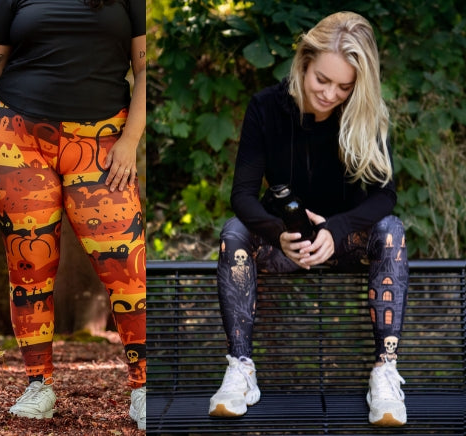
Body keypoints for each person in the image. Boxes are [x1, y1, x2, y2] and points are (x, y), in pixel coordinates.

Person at [206, 12, 406, 427]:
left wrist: (337, 228)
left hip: (346, 242)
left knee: (391, 230)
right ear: (303, 63)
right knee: (234, 231)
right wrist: (279, 233)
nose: (331, 94)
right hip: (284, 242)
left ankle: (385, 373)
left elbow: (386, 195)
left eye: (344, 86)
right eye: (322, 80)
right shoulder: (265, 108)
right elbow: (242, 195)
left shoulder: (365, 113)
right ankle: (241, 370)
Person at [0, 0, 148, 428]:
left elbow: (145, 71)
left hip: (103, 140)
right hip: (17, 135)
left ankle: (143, 387)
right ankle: (38, 385)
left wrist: (131, 139)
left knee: (126, 266)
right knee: (30, 265)